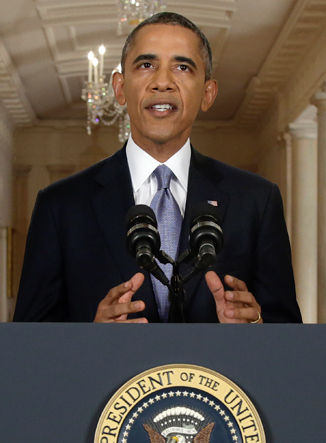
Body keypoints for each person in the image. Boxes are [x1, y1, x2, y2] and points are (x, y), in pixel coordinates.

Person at [13, 12, 302, 324]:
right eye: (146, 65)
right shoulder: (60, 206)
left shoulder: (257, 201)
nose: (162, 82)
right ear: (120, 88)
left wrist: (256, 327)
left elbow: (290, 341)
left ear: (207, 94)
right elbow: (30, 351)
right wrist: (91, 342)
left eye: (182, 67)